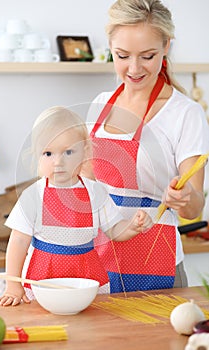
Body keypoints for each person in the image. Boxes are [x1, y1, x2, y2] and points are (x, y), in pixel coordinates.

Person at [86, 0, 209, 293]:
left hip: (155, 262)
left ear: (166, 46)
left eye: (148, 56)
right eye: (122, 55)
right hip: (97, 259)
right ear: (111, 48)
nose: (134, 68)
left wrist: (183, 197)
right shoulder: (100, 104)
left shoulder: (185, 113)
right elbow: (88, 188)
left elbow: (194, 209)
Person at [0, 106, 152, 306]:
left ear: (85, 152)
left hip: (87, 278)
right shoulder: (33, 196)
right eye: (48, 153)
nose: (58, 162)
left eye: (68, 152)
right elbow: (18, 242)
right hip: (43, 280)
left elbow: (115, 230)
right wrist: (13, 284)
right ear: (37, 155)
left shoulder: (96, 192)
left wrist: (132, 226)